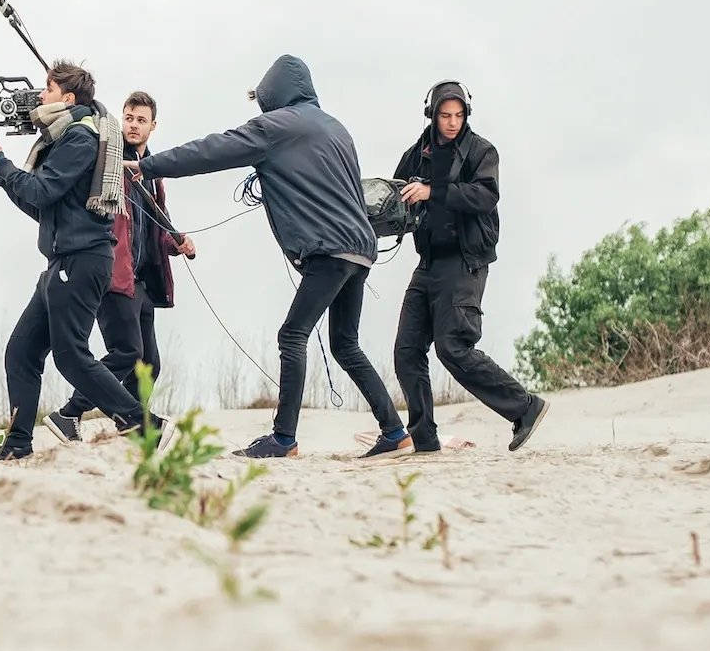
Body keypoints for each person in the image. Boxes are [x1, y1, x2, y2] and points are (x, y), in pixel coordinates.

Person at [134, 54, 406, 459]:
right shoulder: (337, 128)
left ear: (273, 94)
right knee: (345, 343)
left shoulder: (276, 126)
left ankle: (283, 438)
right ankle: (394, 431)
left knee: (291, 335)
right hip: (362, 249)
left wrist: (150, 166)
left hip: (330, 251)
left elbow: (212, 150)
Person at [0, 61, 152, 460]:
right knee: (21, 352)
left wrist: (2, 165)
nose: (41, 96)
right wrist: (0, 176)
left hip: (82, 260)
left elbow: (42, 190)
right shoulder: (65, 138)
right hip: (60, 262)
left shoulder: (79, 137)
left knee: (71, 356)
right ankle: (19, 443)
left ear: (68, 98)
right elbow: (42, 206)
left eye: (48, 89)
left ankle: (142, 424)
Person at [389, 81, 549, 454]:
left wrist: (433, 191)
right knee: (406, 351)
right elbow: (396, 194)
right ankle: (425, 440)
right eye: (445, 115)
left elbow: (485, 195)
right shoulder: (417, 155)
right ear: (432, 114)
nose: (451, 122)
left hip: (465, 262)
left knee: (453, 346)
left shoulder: (481, 151)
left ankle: (525, 408)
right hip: (427, 263)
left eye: (458, 116)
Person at [46, 91, 194, 442]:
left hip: (141, 278)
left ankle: (125, 423)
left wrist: (177, 242)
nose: (133, 125)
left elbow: (156, 224)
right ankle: (76, 415)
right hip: (113, 271)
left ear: (152, 126)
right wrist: (127, 172)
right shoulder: (110, 160)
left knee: (149, 365)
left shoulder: (152, 170)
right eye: (128, 117)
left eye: (141, 120)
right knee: (127, 352)